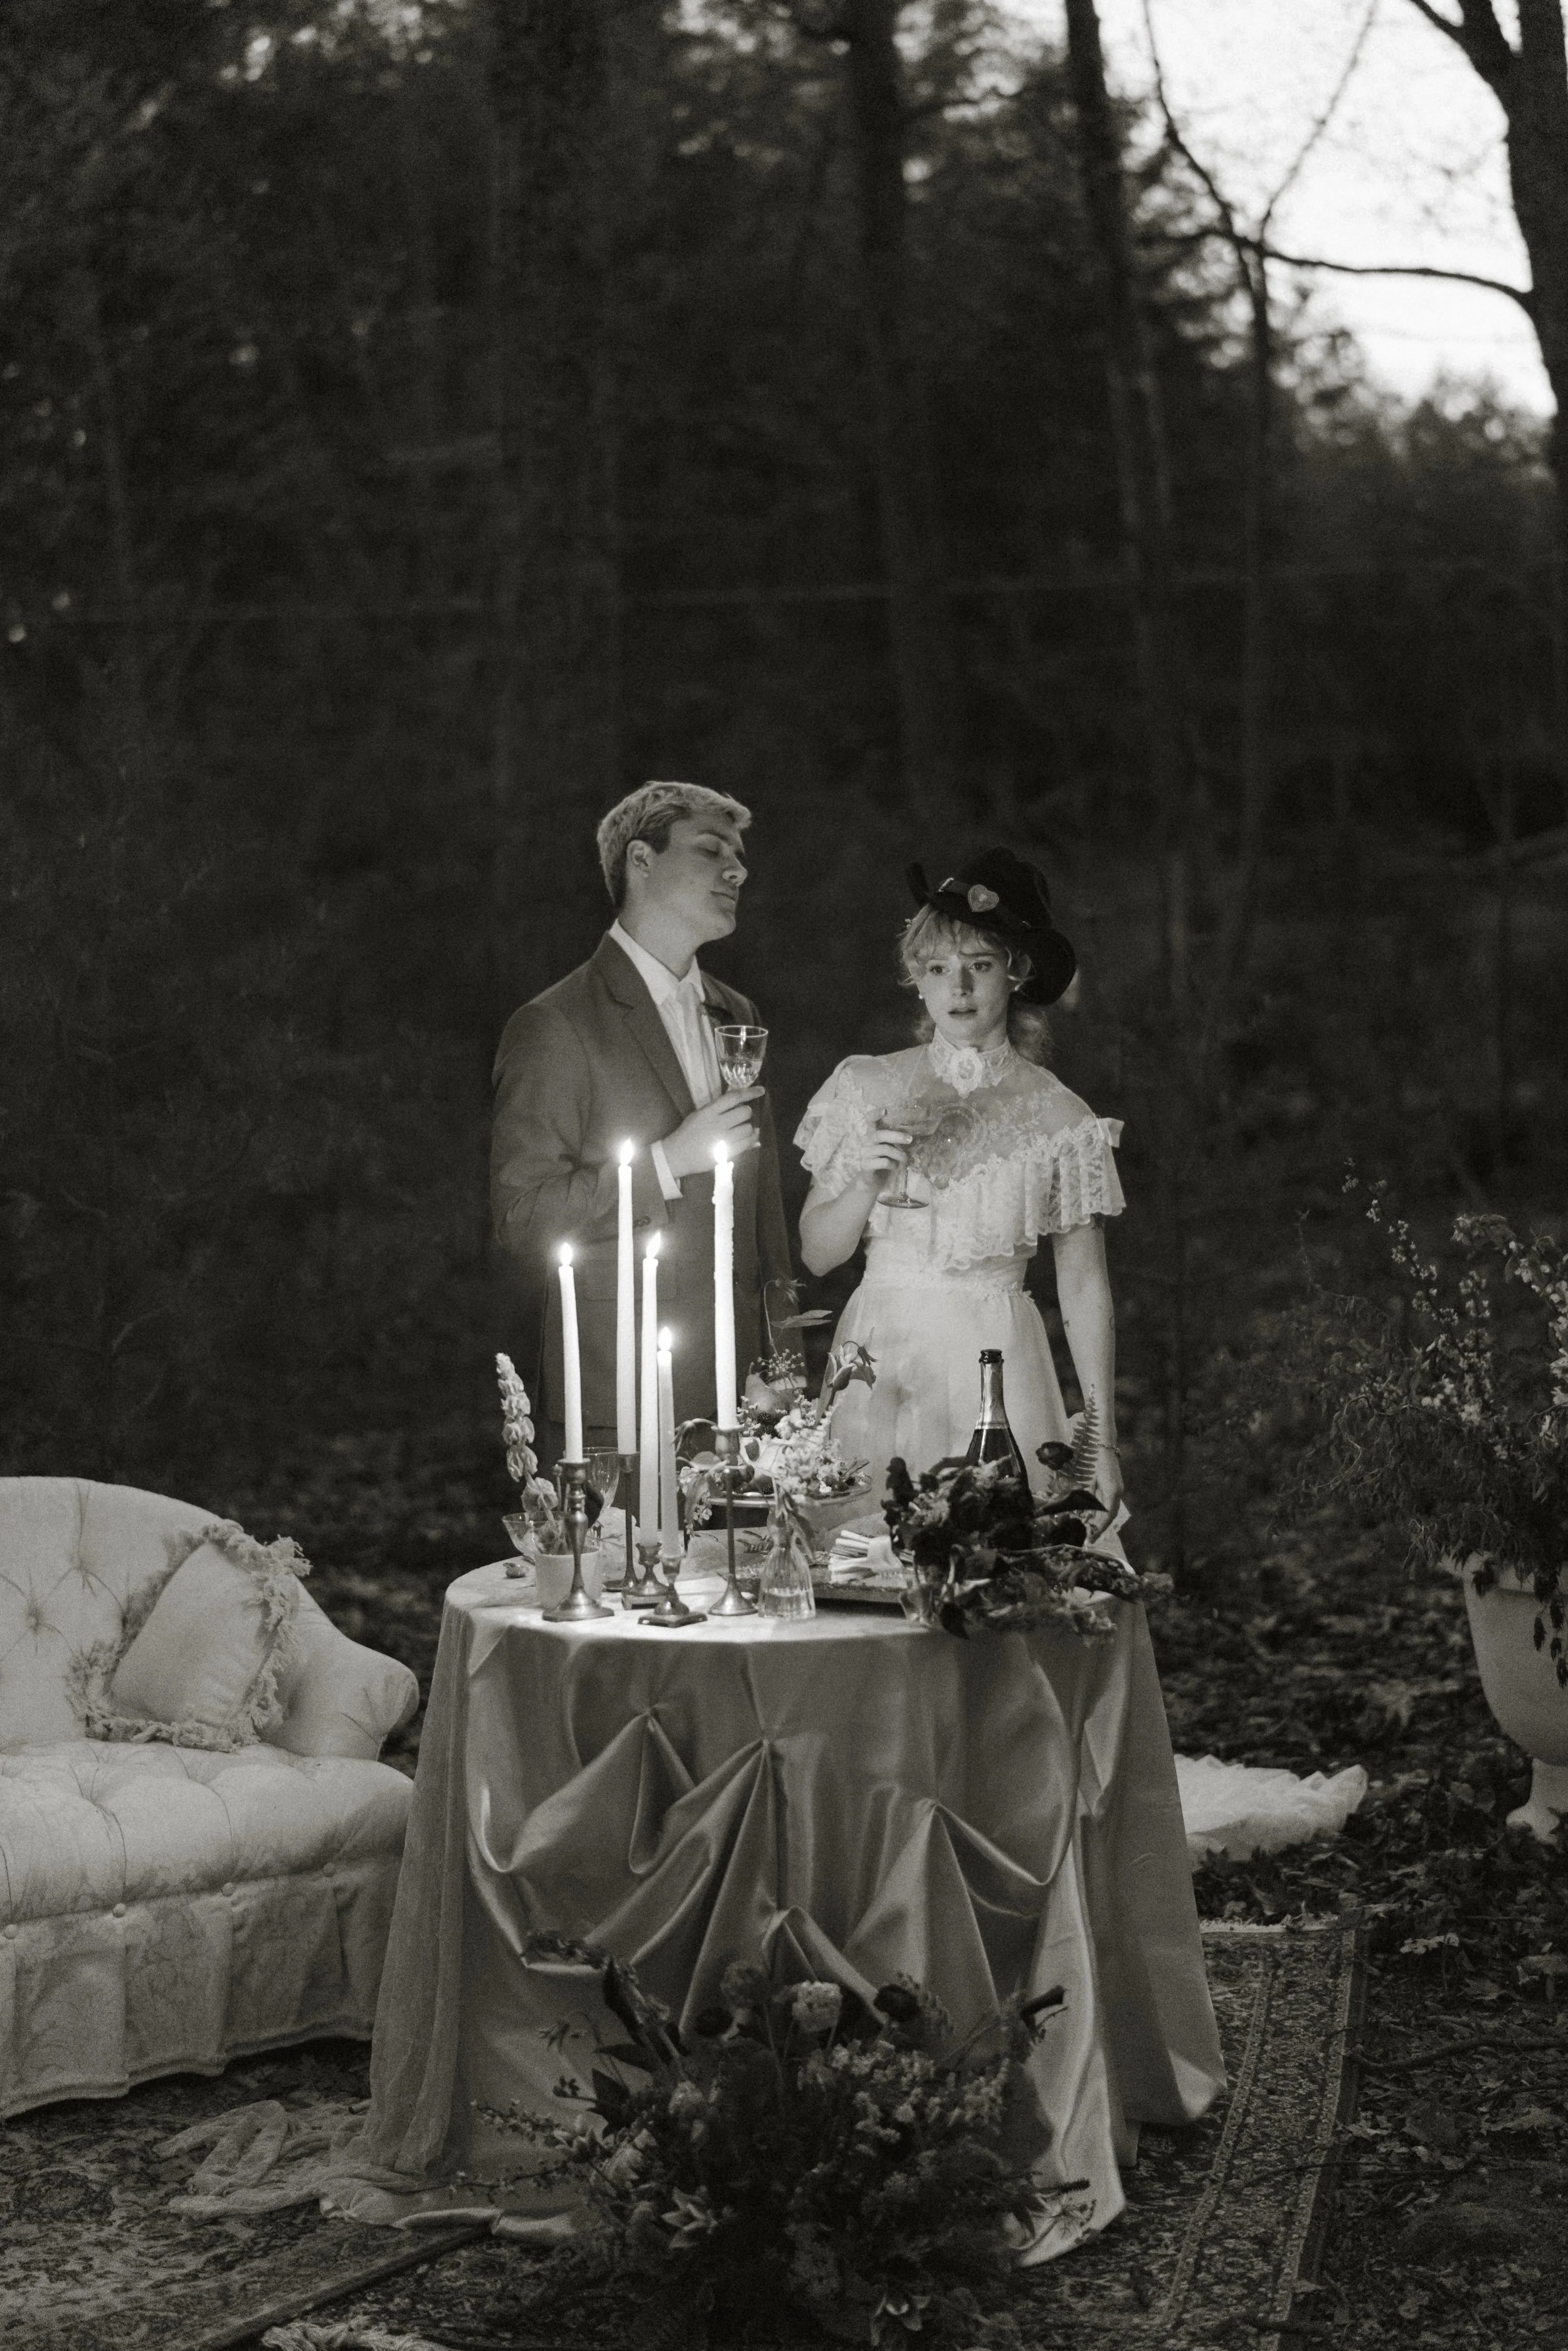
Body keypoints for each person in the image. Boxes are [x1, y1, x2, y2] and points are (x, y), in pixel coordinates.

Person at [797, 848, 1123, 1526]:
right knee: (859, 1561)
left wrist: (1102, 1438)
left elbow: (1085, 1288)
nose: (960, 988)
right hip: (878, 1357)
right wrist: (865, 1179)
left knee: (995, 1571)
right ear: (915, 978)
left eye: (980, 966)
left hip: (999, 1364)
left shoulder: (1063, 1118)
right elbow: (817, 1255)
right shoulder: (864, 1085)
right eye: (938, 968)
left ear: (1018, 973)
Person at [491, 780, 792, 1454]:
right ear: (641, 860)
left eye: (738, 855)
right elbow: (522, 1216)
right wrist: (667, 1162)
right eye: (711, 849)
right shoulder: (556, 1024)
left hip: (744, 1401)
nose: (736, 869)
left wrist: (782, 1362)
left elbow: (762, 1217)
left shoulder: (735, 1014)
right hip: (616, 1397)